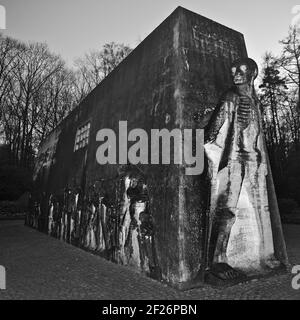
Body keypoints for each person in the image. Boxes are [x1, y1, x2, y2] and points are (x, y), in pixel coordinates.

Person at [204, 58, 278, 281]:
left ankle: (267, 255)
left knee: (262, 209)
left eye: (242, 69)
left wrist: (263, 162)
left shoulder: (256, 102)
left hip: (255, 160)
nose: (236, 73)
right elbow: (212, 132)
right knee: (227, 210)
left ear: (253, 72)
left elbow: (259, 137)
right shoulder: (230, 96)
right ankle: (217, 260)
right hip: (235, 158)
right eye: (233, 70)